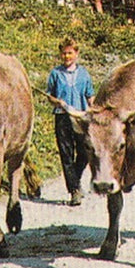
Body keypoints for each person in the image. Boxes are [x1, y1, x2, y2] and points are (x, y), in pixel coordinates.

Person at [46, 37, 95, 206]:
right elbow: (50, 96)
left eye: (70, 53)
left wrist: (94, 112)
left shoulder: (84, 74)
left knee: (84, 153)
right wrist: (56, 101)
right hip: (62, 117)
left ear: (76, 54)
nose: (66, 56)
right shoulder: (55, 74)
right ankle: (74, 190)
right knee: (66, 154)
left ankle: (75, 177)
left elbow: (90, 95)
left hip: (80, 117)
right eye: (64, 53)